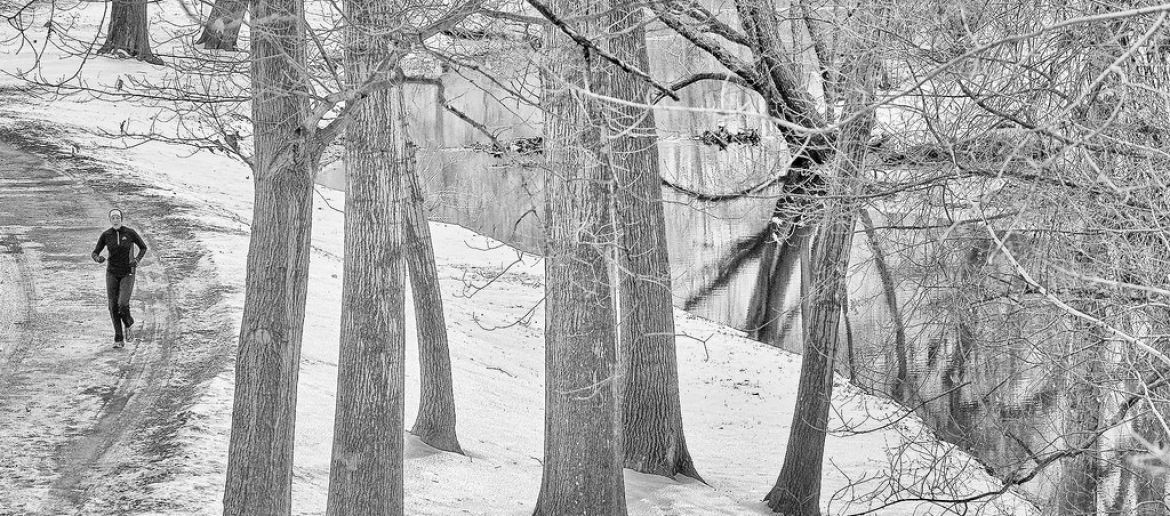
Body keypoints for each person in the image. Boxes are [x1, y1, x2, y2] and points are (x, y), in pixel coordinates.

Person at [91, 208, 148, 348]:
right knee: (112, 306)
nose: (115, 220)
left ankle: (128, 323)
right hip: (111, 273)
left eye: (118, 217)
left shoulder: (130, 233)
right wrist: (98, 258)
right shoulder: (106, 235)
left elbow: (143, 247)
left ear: (121, 219)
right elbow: (94, 252)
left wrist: (137, 260)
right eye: (113, 218)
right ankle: (118, 338)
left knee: (122, 304)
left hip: (127, 272)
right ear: (110, 220)